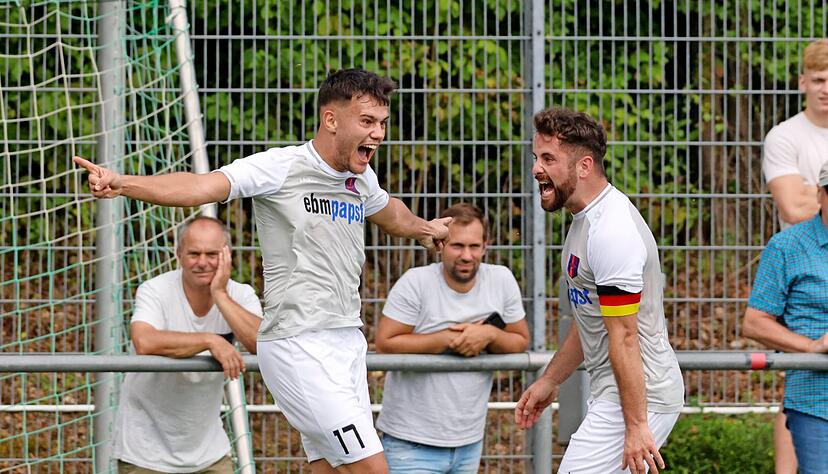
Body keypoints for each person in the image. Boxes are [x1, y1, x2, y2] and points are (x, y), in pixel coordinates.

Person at [74, 69, 450, 474]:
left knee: (332, 468)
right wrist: (124, 183)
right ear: (331, 120)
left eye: (382, 124)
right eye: (367, 122)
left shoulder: (359, 177)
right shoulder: (281, 166)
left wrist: (425, 229)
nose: (377, 134)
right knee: (372, 469)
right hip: (297, 345)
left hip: (346, 342)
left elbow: (387, 210)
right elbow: (201, 186)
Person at [513, 108, 684, 474]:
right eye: (535, 158)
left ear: (584, 166)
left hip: (643, 396)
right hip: (621, 394)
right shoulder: (585, 221)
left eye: (548, 159)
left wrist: (637, 425)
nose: (535, 169)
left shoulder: (611, 231)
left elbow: (623, 336)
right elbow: (593, 317)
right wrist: (551, 379)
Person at [374, 202, 530, 473]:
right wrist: (449, 339)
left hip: (469, 441)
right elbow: (386, 343)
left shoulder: (501, 280)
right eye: (457, 245)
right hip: (411, 443)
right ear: (440, 244)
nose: (467, 255)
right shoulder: (416, 282)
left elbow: (520, 341)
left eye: (474, 246)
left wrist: (489, 334)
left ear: (486, 245)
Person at [113, 216, 263, 473]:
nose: (202, 262)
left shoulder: (240, 294)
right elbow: (144, 341)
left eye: (211, 254)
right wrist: (209, 340)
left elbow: (261, 344)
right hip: (145, 453)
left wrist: (220, 294)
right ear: (178, 253)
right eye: (194, 253)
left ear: (227, 255)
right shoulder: (155, 290)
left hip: (209, 454)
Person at [761, 38, 828, 473]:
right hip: (802, 267)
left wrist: (809, 191)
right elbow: (791, 207)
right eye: (820, 79)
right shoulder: (785, 136)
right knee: (800, 381)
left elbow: (805, 198)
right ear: (803, 81)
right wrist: (808, 197)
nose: (827, 88)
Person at [742, 160, 828, 474]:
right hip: (815, 399)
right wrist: (813, 346)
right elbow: (755, 321)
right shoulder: (787, 246)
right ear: (820, 194)